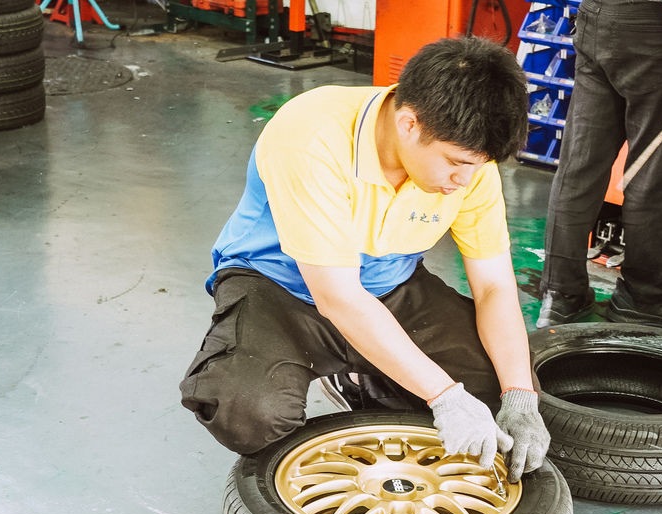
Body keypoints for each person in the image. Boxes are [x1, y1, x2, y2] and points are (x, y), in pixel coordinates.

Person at [179, 37, 550, 482]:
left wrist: (520, 396)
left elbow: (493, 286)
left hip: (389, 283)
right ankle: (359, 367)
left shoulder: (469, 167)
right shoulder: (310, 137)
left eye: (478, 165)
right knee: (248, 411)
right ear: (409, 124)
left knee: (497, 394)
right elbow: (338, 298)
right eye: (455, 162)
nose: (466, 179)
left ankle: (371, 374)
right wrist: (444, 395)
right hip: (279, 286)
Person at [536, 0, 662, 330]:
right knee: (656, 173)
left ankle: (561, 295)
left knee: (580, 167)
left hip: (597, 18)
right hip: (653, 28)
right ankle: (645, 297)